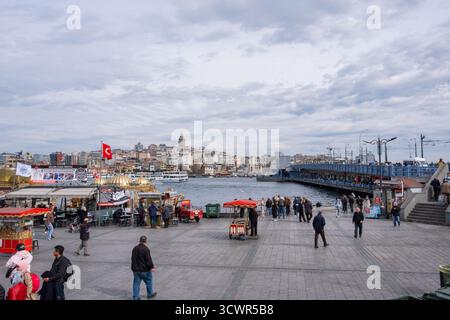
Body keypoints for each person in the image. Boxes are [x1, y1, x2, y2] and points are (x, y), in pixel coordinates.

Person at [131, 236, 157, 300]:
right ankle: (150, 294)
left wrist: (133, 268)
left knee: (136, 283)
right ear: (145, 241)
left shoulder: (135, 248)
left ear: (139, 240)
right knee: (148, 281)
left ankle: (135, 296)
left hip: (136, 270)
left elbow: (132, 259)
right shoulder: (146, 249)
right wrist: (152, 267)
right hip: (144, 270)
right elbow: (148, 260)